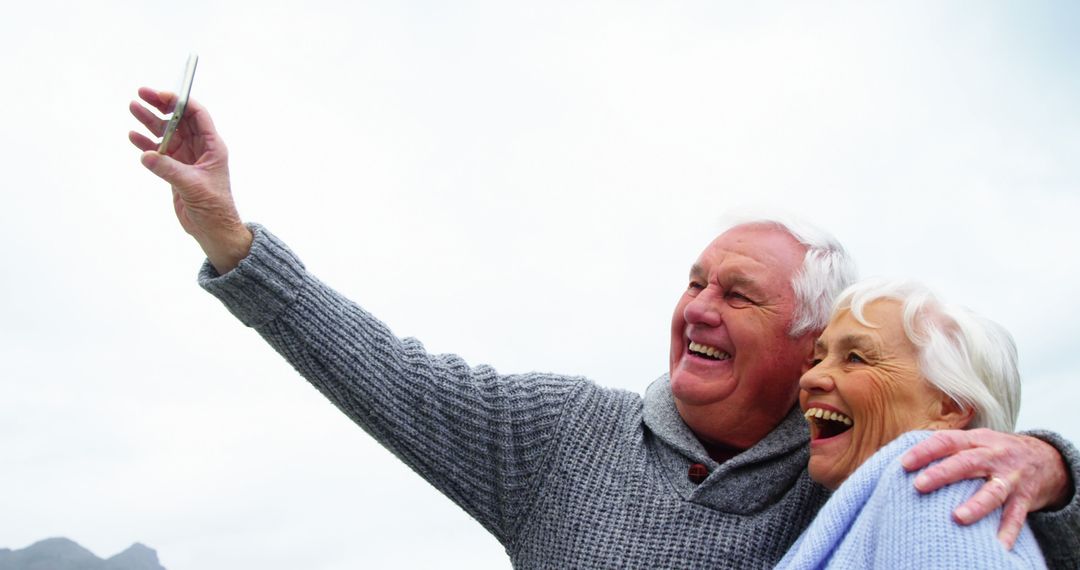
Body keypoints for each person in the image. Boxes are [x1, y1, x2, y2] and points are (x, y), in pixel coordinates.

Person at [128, 88, 1080, 568]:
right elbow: (385, 370)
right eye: (693, 282)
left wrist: (1052, 464)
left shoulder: (847, 470)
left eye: (738, 295)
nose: (696, 308)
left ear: (809, 346)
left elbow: (980, 511)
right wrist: (230, 237)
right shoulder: (560, 434)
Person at [776, 280, 1047, 568]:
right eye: (819, 358)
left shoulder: (937, 483)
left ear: (949, 408)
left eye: (855, 358)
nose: (810, 378)